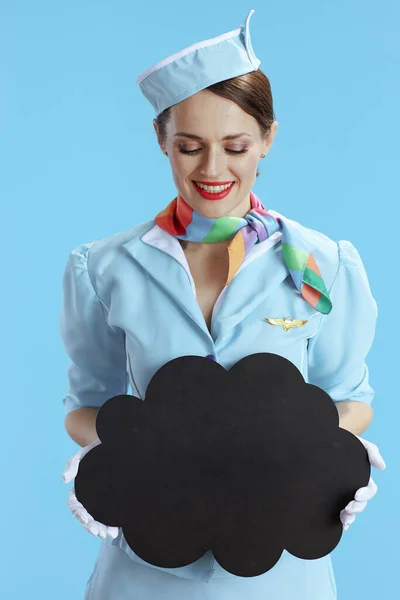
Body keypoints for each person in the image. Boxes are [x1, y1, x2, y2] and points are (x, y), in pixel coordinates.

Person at [60, 10, 385, 600]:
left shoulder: (323, 266)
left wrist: (325, 457)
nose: (213, 170)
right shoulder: (104, 268)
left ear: (268, 139)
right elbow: (86, 405)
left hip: (284, 570)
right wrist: (108, 454)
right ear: (161, 141)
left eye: (236, 146)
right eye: (189, 147)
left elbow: (349, 400)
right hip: (148, 564)